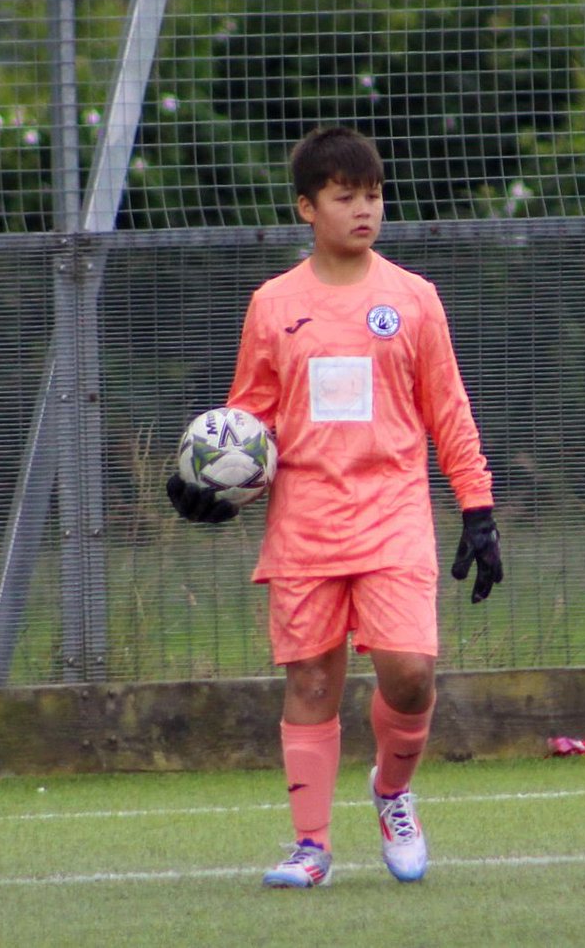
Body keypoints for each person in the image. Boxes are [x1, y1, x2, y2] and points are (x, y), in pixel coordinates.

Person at [166, 126, 503, 889]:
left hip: (392, 512)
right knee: (313, 680)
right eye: (344, 196)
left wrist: (477, 508)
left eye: (374, 194)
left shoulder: (413, 300)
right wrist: (215, 479)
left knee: (410, 671)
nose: (364, 209)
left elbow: (447, 410)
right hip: (306, 521)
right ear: (306, 208)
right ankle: (311, 845)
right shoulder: (273, 304)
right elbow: (248, 418)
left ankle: (391, 790)